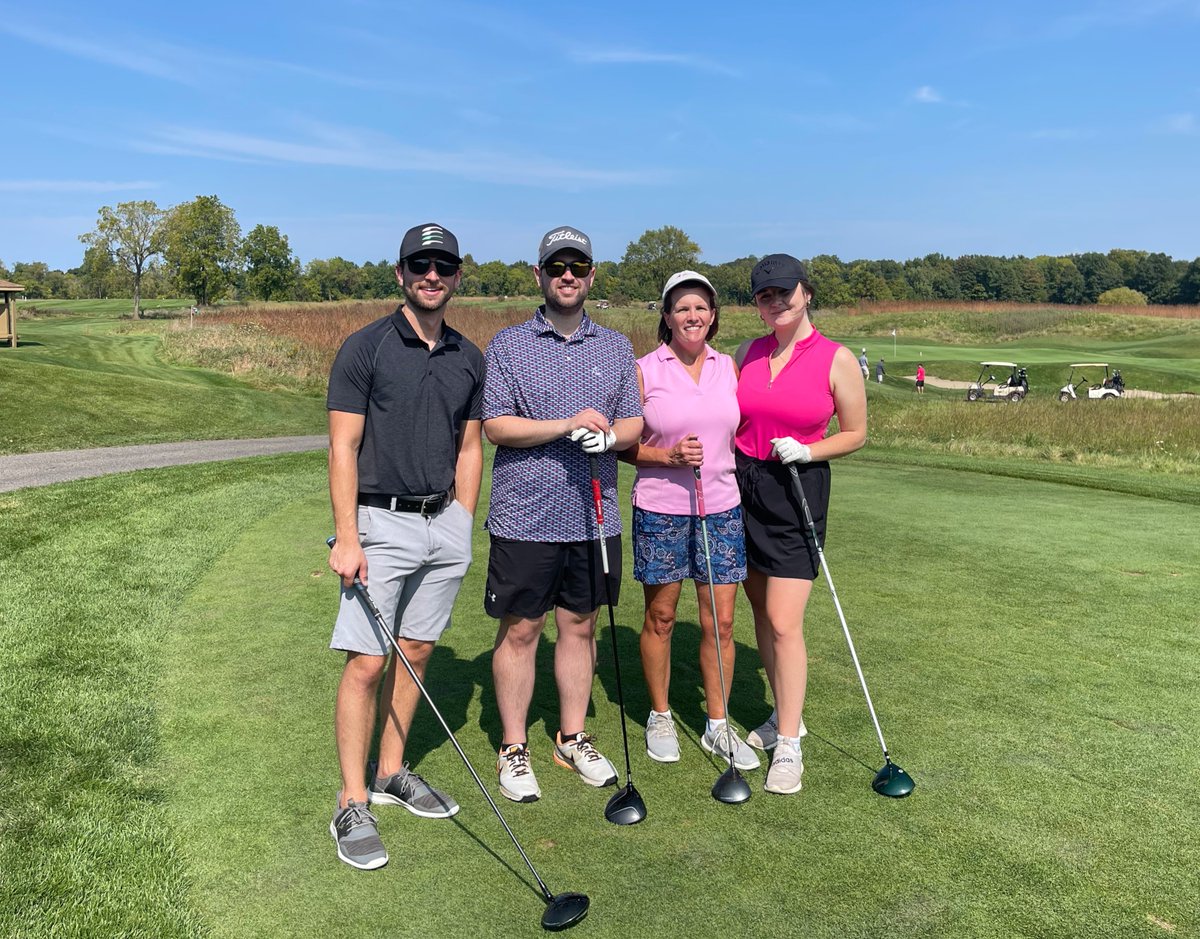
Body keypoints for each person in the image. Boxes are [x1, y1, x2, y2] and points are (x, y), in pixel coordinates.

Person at [325, 223, 484, 869]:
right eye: (420, 263)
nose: (432, 274)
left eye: (443, 264)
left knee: (415, 651)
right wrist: (349, 536)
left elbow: (471, 446)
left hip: (441, 522)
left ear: (456, 275)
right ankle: (352, 799)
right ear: (400, 273)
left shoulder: (470, 357)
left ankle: (391, 772)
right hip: (379, 523)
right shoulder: (365, 347)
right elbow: (343, 446)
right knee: (367, 661)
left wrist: (462, 522)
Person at [482, 226, 643, 802]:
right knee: (522, 630)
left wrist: (614, 438)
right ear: (540, 276)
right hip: (524, 516)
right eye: (557, 267)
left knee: (580, 625)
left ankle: (571, 737)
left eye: (578, 266)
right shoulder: (507, 344)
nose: (567, 275)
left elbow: (633, 423)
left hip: (596, 518)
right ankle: (513, 746)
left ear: (592, 275)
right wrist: (567, 424)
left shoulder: (617, 347)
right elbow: (496, 424)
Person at [734, 254, 867, 795]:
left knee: (786, 621)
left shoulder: (836, 359)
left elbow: (856, 433)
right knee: (762, 614)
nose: (775, 302)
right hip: (743, 487)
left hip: (796, 487)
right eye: (765, 296)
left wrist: (809, 450)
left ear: (806, 292)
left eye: (784, 292)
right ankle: (782, 713)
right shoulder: (747, 351)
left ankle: (789, 742)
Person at [618, 271, 757, 770]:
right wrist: (667, 456)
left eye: (700, 307)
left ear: (713, 315)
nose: (692, 316)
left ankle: (717, 725)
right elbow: (625, 446)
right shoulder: (643, 370)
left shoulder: (729, 368)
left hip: (721, 508)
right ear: (666, 316)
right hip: (660, 509)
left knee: (720, 622)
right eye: (681, 308)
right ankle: (659, 714)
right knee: (661, 617)